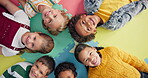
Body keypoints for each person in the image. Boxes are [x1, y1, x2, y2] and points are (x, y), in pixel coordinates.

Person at [68, 0, 148, 43]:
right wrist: (144, 3)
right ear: (94, 31)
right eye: (88, 29)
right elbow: (131, 13)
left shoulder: (90, 5)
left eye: (83, 22)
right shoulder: (113, 25)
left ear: (82, 16)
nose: (88, 24)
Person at [74, 43, 148, 78]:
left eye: (90, 53)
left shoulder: (111, 51)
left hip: (140, 75)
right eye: (86, 60)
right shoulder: (93, 76)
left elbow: (132, 60)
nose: (92, 59)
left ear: (94, 49)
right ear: (85, 64)